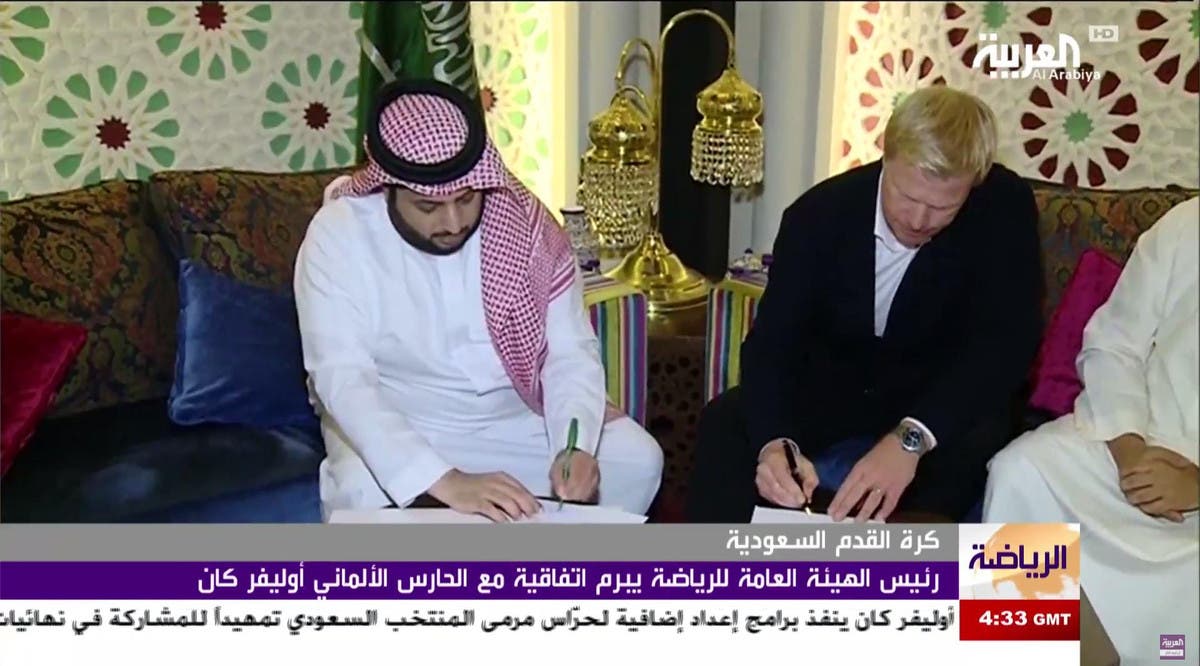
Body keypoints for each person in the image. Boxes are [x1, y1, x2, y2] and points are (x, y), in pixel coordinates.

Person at [293, 78, 663, 522]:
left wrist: (573, 445)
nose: (452, 221)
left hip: (513, 418)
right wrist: (447, 481)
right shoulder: (339, 236)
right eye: (428, 207)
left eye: (466, 198)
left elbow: (568, 353)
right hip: (401, 419)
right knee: (362, 490)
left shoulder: (524, 227)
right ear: (389, 188)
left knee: (638, 460)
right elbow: (342, 378)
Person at [686, 85, 1043, 524]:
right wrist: (774, 442)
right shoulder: (817, 216)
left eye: (942, 207)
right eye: (907, 197)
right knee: (725, 423)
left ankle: (923, 581)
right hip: (835, 389)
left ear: (975, 180)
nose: (918, 220)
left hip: (941, 395)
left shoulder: (1004, 208)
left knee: (979, 442)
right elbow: (772, 345)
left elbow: (1006, 344)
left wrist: (913, 437)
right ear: (886, 157)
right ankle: (712, 576)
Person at [984, 197, 1198, 666]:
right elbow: (1112, 342)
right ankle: (1024, 653)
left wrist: (1195, 485)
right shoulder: (1187, 224)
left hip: (1193, 491)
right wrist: (1130, 452)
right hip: (1134, 440)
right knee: (1022, 471)